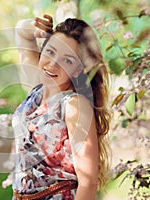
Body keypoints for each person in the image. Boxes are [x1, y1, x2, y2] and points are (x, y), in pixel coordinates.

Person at [11, 14, 111, 200]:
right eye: (50, 52)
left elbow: (88, 183)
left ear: (78, 69)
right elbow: (21, 32)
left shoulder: (74, 105)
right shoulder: (38, 87)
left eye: (67, 60)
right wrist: (36, 27)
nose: (53, 64)